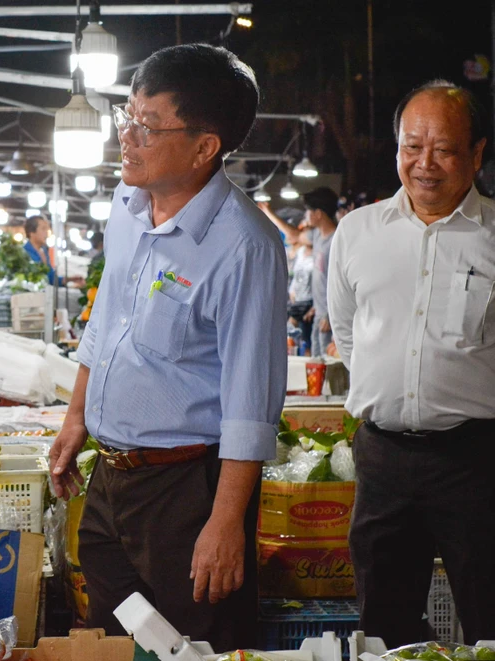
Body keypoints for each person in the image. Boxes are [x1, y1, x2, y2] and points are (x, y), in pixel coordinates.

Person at [48, 43, 287, 651]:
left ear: (206, 146)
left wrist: (226, 522)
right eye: (127, 117)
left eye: (147, 127)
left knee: (197, 643)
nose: (126, 138)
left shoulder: (245, 247)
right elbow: (105, 321)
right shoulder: (127, 208)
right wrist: (76, 418)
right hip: (110, 481)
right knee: (110, 638)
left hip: (187, 493)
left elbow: (250, 403)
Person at [328, 80, 495, 647]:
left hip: (476, 460)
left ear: (476, 154)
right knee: (384, 623)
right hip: (384, 459)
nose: (425, 163)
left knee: (489, 617)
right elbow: (349, 335)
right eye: (411, 146)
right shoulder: (356, 233)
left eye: (444, 148)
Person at [260, 187, 338, 356]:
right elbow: (294, 236)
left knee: (327, 361)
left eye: (308, 211)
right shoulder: (317, 235)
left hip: (329, 317)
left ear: (318, 213)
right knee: (316, 361)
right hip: (319, 312)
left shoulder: (337, 240)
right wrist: (269, 213)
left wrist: (331, 315)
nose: (306, 215)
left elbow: (340, 281)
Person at [23, 214, 82, 286]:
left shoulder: (44, 251)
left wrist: (71, 279)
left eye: (47, 229)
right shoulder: (23, 253)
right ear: (31, 232)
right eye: (43, 229)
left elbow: (51, 278)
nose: (47, 232)